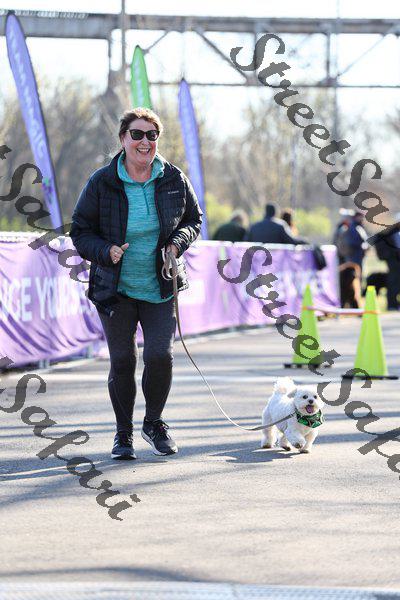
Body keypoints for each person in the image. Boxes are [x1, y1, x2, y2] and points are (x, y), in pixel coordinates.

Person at [70, 107, 202, 460]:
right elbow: (80, 230)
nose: (145, 142)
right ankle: (123, 433)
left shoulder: (173, 177)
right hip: (115, 290)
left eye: (152, 135)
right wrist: (106, 251)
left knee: (160, 356)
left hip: (160, 286)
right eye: (137, 134)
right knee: (123, 361)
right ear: (123, 139)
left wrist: (177, 243)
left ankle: (154, 423)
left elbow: (194, 219)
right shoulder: (102, 181)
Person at [374, 216, 400, 310]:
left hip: (396, 261)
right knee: (393, 282)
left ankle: (395, 303)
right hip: (393, 261)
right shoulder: (389, 233)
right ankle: (392, 305)